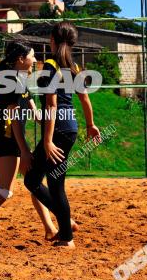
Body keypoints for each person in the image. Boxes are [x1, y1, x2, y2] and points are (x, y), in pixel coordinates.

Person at [0, 42, 58, 247]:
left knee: (33, 183)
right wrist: (24, 150)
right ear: (20, 59)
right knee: (4, 191)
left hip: (13, 139)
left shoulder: (20, 81)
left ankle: (51, 229)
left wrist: (58, 120)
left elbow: (37, 116)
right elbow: (13, 118)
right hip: (8, 140)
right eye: (32, 56)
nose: (35, 60)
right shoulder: (13, 80)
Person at [23, 22, 101, 248]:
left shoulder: (50, 66)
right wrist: (91, 125)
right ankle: (66, 231)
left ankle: (66, 232)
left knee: (33, 180)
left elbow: (51, 105)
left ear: (52, 40)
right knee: (55, 184)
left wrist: (47, 140)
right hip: (71, 128)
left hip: (57, 130)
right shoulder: (73, 66)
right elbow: (85, 99)